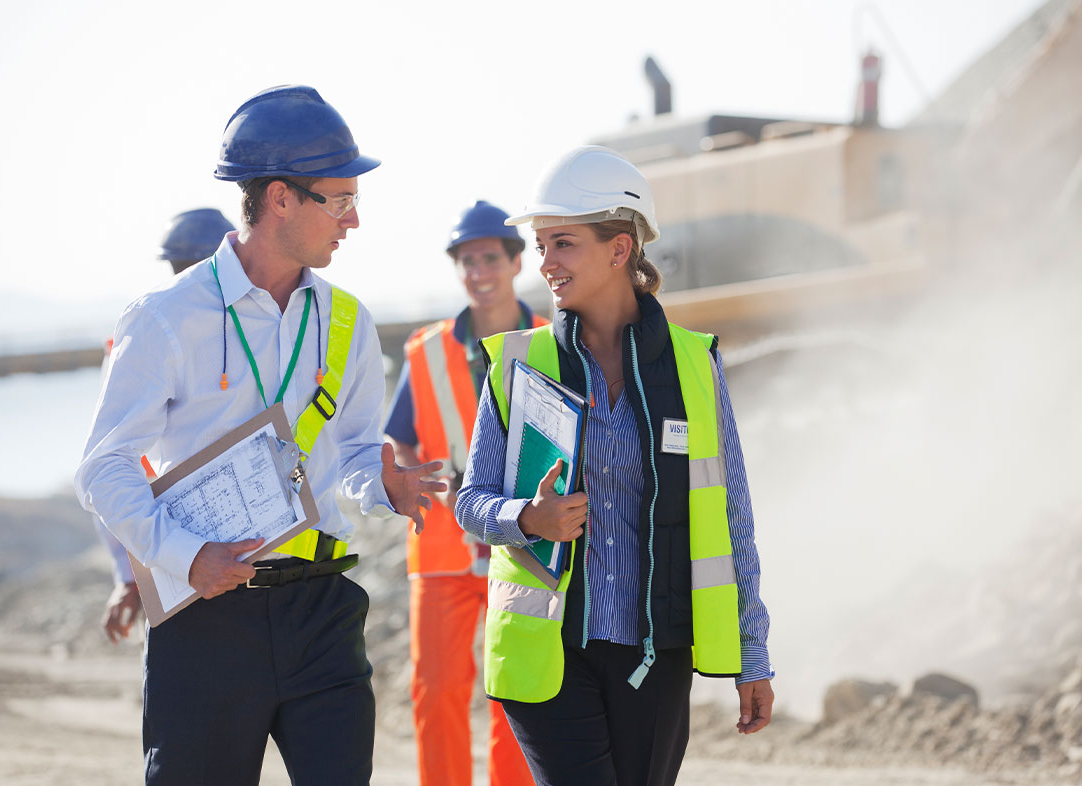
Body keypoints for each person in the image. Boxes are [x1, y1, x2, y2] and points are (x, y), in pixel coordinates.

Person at [74, 85, 442, 786]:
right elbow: (104, 469)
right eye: (338, 199)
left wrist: (384, 484)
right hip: (206, 617)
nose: (354, 220)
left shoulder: (348, 322)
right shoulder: (163, 319)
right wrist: (186, 556)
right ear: (280, 198)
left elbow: (357, 453)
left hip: (323, 609)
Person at [455, 145, 775, 786]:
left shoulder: (692, 365)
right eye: (542, 246)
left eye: (563, 244)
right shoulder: (519, 364)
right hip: (548, 653)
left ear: (620, 248)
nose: (545, 264)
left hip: (653, 653)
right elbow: (472, 502)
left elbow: (731, 517)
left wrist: (752, 652)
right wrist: (528, 517)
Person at [383, 200, 544, 786]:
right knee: (436, 692)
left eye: (489, 259)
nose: (478, 271)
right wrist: (424, 486)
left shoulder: (552, 342)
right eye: (467, 260)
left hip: (528, 544)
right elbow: (399, 442)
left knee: (517, 692)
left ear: (516, 262)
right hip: (445, 549)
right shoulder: (424, 352)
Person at [97, 207, 236, 644]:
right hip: (172, 551)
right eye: (182, 268)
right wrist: (129, 571)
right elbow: (111, 467)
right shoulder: (141, 343)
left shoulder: (252, 336)